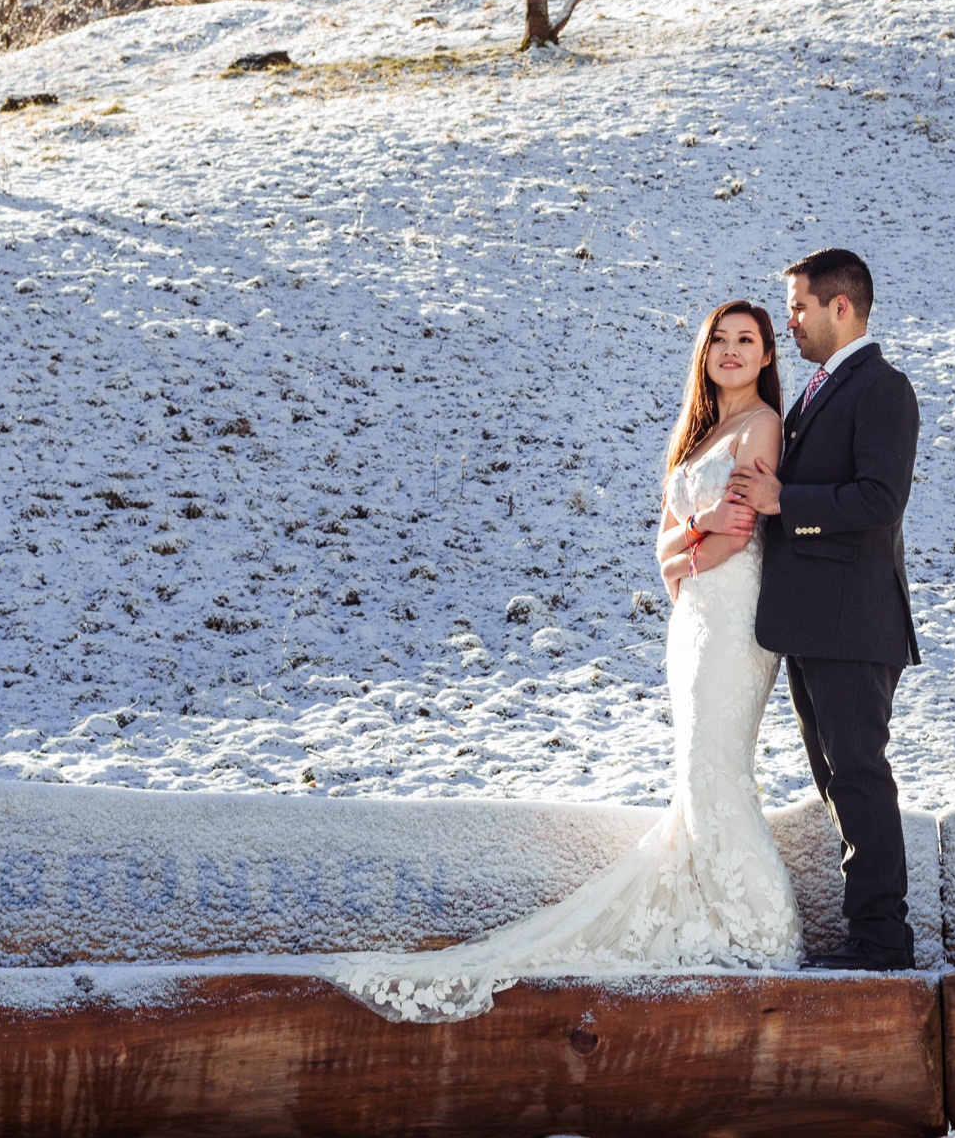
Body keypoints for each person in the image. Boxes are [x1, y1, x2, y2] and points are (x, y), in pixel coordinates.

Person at [321, 300, 804, 1022]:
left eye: (748, 341)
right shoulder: (700, 431)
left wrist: (690, 542)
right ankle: (711, 908)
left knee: (717, 769)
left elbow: (737, 529)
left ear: (767, 356)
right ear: (704, 354)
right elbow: (664, 545)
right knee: (691, 775)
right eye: (720, 341)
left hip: (733, 617)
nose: (732, 352)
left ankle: (761, 928)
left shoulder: (761, 423)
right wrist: (689, 541)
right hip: (693, 622)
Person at [722, 249, 922, 971]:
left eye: (800, 307)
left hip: (855, 622)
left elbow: (879, 501)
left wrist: (786, 502)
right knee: (838, 779)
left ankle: (881, 941)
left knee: (859, 774)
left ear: (843, 307)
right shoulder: (817, 390)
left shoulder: (883, 388)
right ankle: (870, 932)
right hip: (815, 623)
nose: (792, 322)